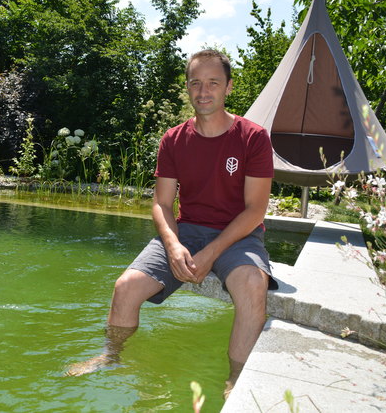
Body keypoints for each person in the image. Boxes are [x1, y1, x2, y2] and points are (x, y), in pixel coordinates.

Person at [66, 49, 278, 399]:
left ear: (228, 87)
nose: (203, 91)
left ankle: (235, 379)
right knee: (125, 287)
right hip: (187, 230)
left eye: (213, 82)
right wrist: (173, 244)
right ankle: (111, 355)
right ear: (187, 88)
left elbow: (255, 211)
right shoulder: (174, 138)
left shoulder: (253, 137)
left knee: (253, 286)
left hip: (239, 235)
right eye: (195, 83)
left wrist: (210, 253)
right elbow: (162, 204)